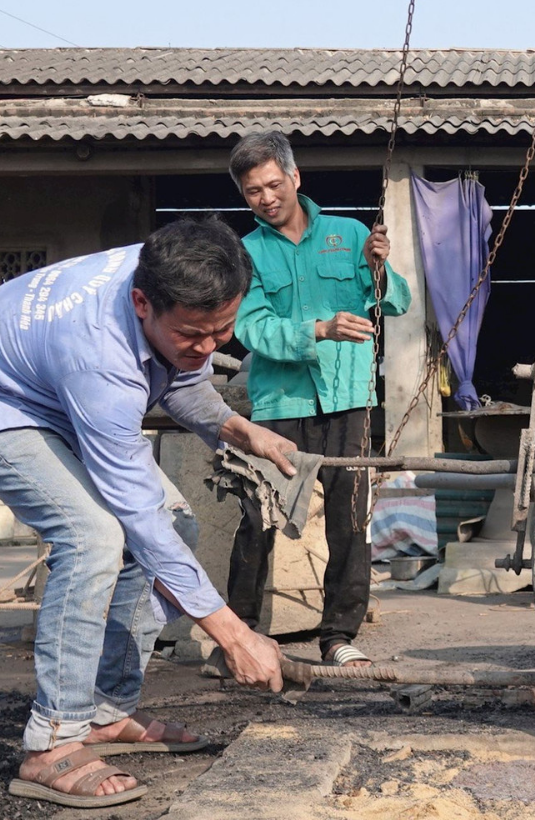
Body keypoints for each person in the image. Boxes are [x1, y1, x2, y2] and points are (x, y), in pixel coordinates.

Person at [0, 218, 295, 808]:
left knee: (177, 526)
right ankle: (51, 742)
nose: (209, 346)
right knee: (95, 537)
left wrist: (238, 428)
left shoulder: (176, 273)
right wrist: (233, 635)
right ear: (141, 303)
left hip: (58, 393)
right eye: (194, 333)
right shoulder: (99, 356)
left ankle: (104, 712)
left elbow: (184, 379)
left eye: (223, 330)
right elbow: (135, 516)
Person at [225, 131, 411, 668]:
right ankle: (240, 635)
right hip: (280, 407)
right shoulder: (246, 254)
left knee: (349, 522)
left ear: (295, 176)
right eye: (253, 191)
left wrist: (380, 267)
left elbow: (392, 302)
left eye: (273, 184)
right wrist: (321, 330)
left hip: (349, 399)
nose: (266, 197)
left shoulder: (348, 234)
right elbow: (252, 329)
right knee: (258, 520)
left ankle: (338, 636)